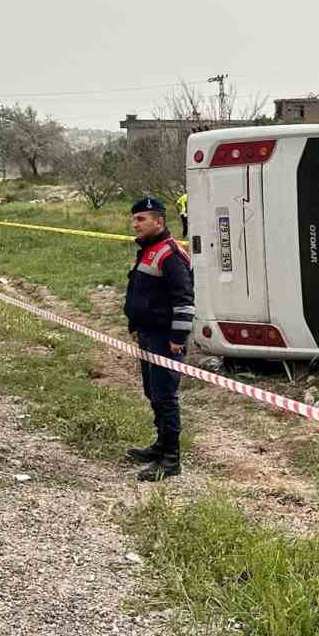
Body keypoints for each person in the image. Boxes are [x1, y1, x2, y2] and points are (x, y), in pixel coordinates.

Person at [122, 196, 195, 481]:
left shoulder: (170, 254)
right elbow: (141, 293)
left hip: (166, 338)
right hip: (148, 334)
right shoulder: (148, 250)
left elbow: (184, 300)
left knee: (165, 397)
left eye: (141, 219)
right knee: (152, 392)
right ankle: (159, 445)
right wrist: (135, 325)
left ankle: (170, 460)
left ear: (159, 221)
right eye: (135, 219)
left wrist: (178, 336)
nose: (135, 224)